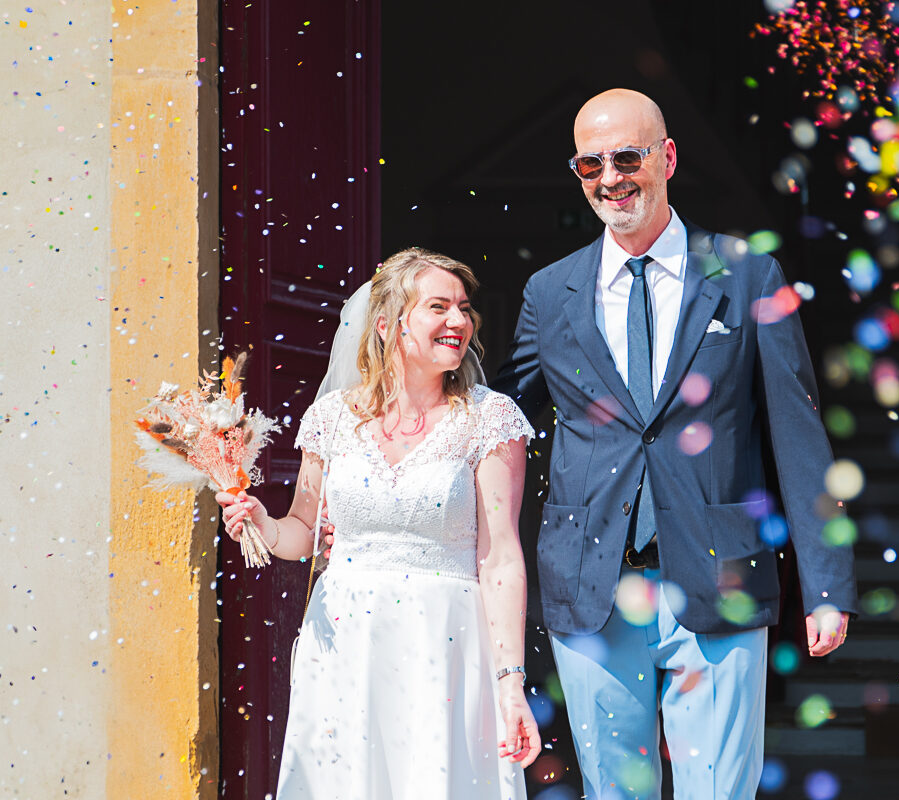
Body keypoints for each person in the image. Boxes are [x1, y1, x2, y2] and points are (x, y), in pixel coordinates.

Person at [491, 89, 858, 799]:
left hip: (719, 575)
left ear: (667, 158)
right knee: (611, 791)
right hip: (590, 580)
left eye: (626, 157)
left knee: (718, 789)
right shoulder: (551, 291)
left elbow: (798, 436)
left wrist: (825, 584)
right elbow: (500, 415)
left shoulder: (748, 275)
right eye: (589, 163)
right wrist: (391, 414)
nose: (609, 177)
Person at [216, 247, 541, 800]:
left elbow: (501, 557)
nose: (459, 322)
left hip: (447, 639)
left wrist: (511, 684)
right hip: (347, 639)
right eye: (438, 307)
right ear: (388, 324)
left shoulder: (490, 418)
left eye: (464, 308)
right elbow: (303, 529)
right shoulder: (332, 418)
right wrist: (262, 524)